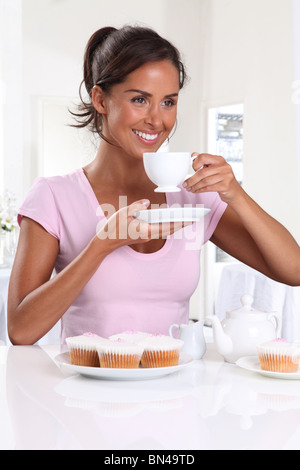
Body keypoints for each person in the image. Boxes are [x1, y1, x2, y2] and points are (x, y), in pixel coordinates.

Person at [7, 25, 300, 345]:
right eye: (140, 99)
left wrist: (237, 195)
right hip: (85, 392)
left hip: (180, 389)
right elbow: (21, 330)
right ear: (100, 99)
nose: (157, 120)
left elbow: (293, 271)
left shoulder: (194, 196)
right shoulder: (53, 197)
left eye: (168, 102)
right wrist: (102, 245)